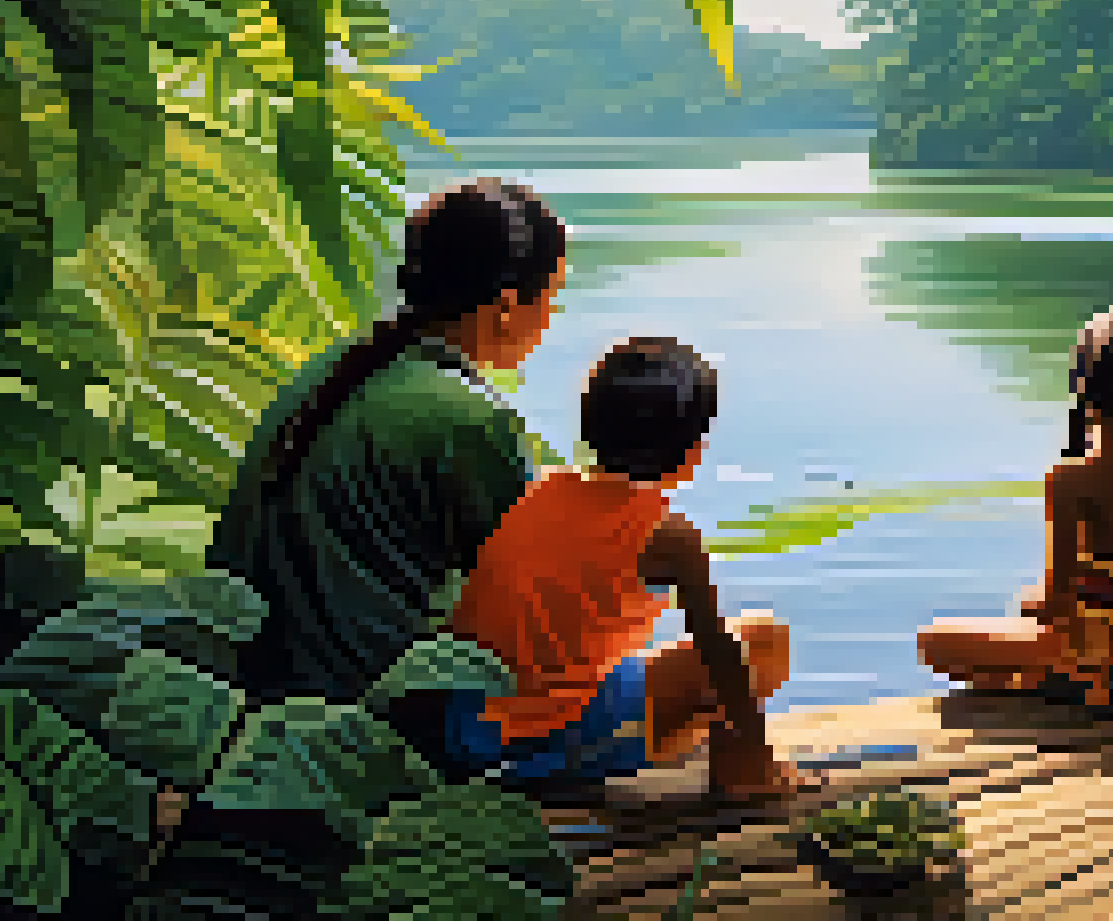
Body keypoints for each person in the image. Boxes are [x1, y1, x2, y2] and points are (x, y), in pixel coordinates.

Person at [209, 179, 565, 704]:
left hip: (253, 696)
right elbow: (530, 607)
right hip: (371, 712)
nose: (552, 317)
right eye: (552, 296)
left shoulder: (331, 373)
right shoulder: (470, 418)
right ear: (508, 305)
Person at [444, 338, 803, 799]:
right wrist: (758, 755)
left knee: (629, 672)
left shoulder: (534, 492)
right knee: (763, 643)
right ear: (692, 449)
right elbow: (721, 659)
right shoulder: (665, 534)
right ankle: (742, 770)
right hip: (540, 742)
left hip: (466, 731)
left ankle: (659, 743)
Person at [917, 307, 1113, 707]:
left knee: (935, 642)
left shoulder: (1070, 479)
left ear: (1081, 388)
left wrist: (1040, 610)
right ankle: (1065, 678)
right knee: (1035, 612)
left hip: (1092, 661)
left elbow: (1059, 600)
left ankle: (1052, 681)